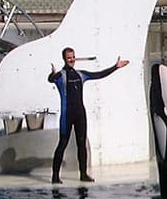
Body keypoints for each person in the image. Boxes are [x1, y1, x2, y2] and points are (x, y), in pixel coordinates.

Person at [48, 47, 129, 184]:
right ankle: (55, 176)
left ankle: (83, 174)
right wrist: (52, 74)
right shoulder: (60, 76)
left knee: (82, 144)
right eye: (69, 57)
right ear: (64, 59)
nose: (72, 60)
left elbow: (99, 75)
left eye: (73, 57)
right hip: (67, 115)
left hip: (80, 114)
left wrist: (115, 67)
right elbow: (50, 79)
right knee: (62, 144)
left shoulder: (81, 74)